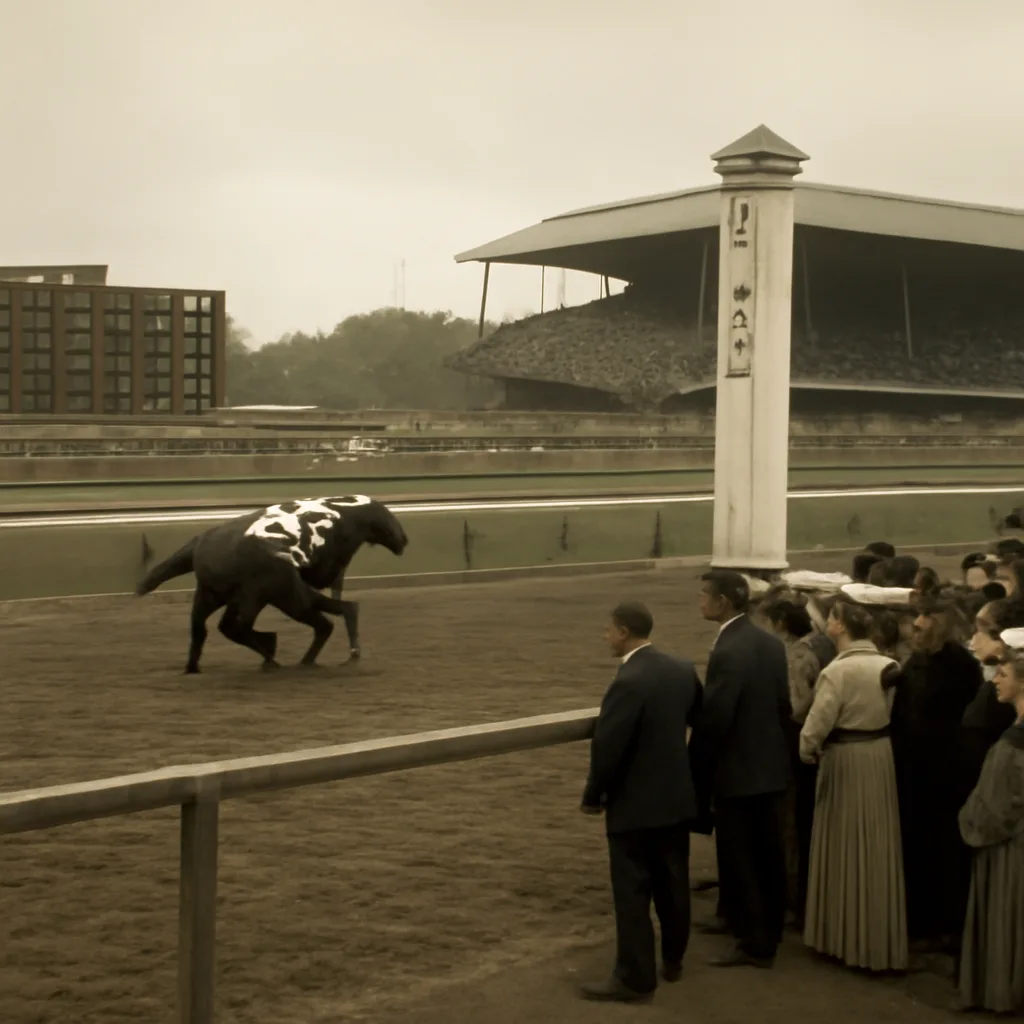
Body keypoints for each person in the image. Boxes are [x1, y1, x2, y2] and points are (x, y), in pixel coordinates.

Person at [579, 601, 703, 1004]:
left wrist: (594, 795)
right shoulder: (682, 670)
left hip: (635, 806)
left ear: (623, 632)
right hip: (676, 798)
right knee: (673, 883)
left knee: (632, 893)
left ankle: (634, 978)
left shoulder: (628, 680)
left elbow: (608, 747)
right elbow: (697, 717)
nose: (605, 636)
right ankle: (674, 961)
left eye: (608, 629)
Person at [800, 598, 908, 971]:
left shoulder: (837, 672)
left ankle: (842, 935)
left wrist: (807, 751)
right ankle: (875, 939)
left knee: (843, 843)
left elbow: (816, 726)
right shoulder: (889, 665)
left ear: (840, 626)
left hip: (845, 760)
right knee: (875, 844)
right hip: (878, 756)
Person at [691, 570, 791, 969]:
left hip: (739, 772)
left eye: (704, 595)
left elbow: (716, 718)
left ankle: (754, 943)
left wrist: (695, 766)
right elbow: (782, 706)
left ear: (724, 602)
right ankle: (755, 927)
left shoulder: (729, 650)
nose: (700, 601)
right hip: (770, 766)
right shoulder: (768, 643)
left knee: (743, 858)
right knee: (767, 855)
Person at [890, 592, 982, 952]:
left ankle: (941, 924)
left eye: (925, 617)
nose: (917, 624)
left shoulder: (958, 664)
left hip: (942, 774)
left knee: (941, 848)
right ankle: (918, 920)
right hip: (914, 770)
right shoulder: (917, 660)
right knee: (915, 845)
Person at [956, 634, 1024, 1015]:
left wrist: (970, 823)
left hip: (1008, 848)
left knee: (1008, 917)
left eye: (1003, 674)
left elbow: (996, 808)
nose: (996, 680)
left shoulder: (1014, 744)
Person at [761, 596, 825, 928]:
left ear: (782, 623)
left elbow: (797, 706)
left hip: (794, 743)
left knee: (791, 823)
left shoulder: (798, 657)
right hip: (801, 743)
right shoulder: (809, 648)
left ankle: (794, 901)